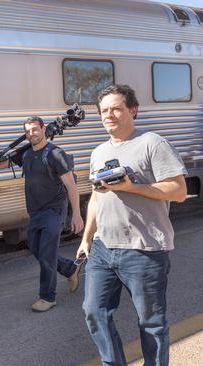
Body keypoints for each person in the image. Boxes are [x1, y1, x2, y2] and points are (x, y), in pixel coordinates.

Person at [77, 84, 187, 366]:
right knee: (94, 311)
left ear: (132, 110)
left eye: (116, 108)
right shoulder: (98, 152)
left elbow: (178, 191)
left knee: (151, 323)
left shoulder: (152, 143)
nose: (109, 115)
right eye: (104, 110)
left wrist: (131, 186)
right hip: (103, 248)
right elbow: (96, 199)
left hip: (144, 249)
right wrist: (87, 239)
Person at [0, 116, 84, 312]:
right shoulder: (26, 153)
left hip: (54, 210)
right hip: (36, 211)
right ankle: (70, 268)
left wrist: (77, 215)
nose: (32, 133)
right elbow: (4, 163)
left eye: (35, 129)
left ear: (43, 129)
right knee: (35, 249)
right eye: (28, 131)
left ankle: (47, 297)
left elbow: (71, 186)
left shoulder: (55, 154)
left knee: (47, 254)